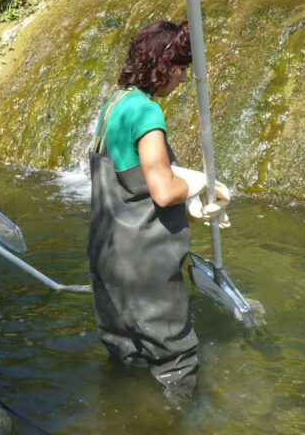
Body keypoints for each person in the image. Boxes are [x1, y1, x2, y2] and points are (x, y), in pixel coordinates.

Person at [87, 20, 230, 395]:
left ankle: (126, 415)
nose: (183, 79)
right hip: (145, 261)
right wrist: (200, 185)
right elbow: (163, 191)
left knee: (126, 354)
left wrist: (187, 201)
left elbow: (129, 176)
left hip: (108, 254)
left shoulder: (115, 103)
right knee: (175, 358)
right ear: (161, 65)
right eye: (180, 68)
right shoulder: (147, 113)